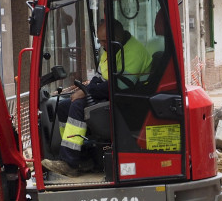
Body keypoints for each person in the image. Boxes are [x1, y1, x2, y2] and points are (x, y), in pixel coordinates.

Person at [42, 18, 151, 177]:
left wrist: (88, 92)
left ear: (118, 35)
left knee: (79, 106)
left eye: (105, 41)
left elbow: (120, 85)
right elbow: (99, 77)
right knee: (63, 106)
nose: (103, 45)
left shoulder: (134, 51)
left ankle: (70, 163)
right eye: (100, 41)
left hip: (129, 104)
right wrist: (87, 89)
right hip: (114, 97)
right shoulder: (111, 49)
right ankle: (81, 155)